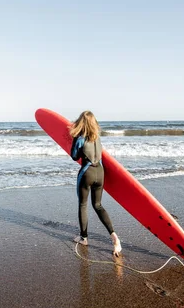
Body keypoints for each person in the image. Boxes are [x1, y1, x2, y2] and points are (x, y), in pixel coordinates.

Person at [70, 110, 122, 257]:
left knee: (83, 205)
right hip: (100, 172)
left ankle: (84, 238)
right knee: (98, 205)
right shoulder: (97, 138)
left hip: (87, 173)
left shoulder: (79, 138)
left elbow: (74, 156)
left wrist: (74, 140)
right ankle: (114, 237)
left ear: (81, 123)